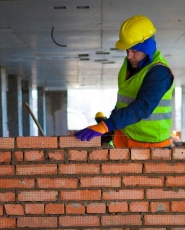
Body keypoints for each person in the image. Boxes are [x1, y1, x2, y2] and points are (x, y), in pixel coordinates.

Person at [74, 15, 174, 148]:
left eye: (134, 50)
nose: (129, 56)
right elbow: (123, 103)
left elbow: (142, 107)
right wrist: (110, 129)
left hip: (152, 146)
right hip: (125, 138)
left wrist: (106, 125)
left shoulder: (159, 72)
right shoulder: (129, 65)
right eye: (127, 50)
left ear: (148, 47)